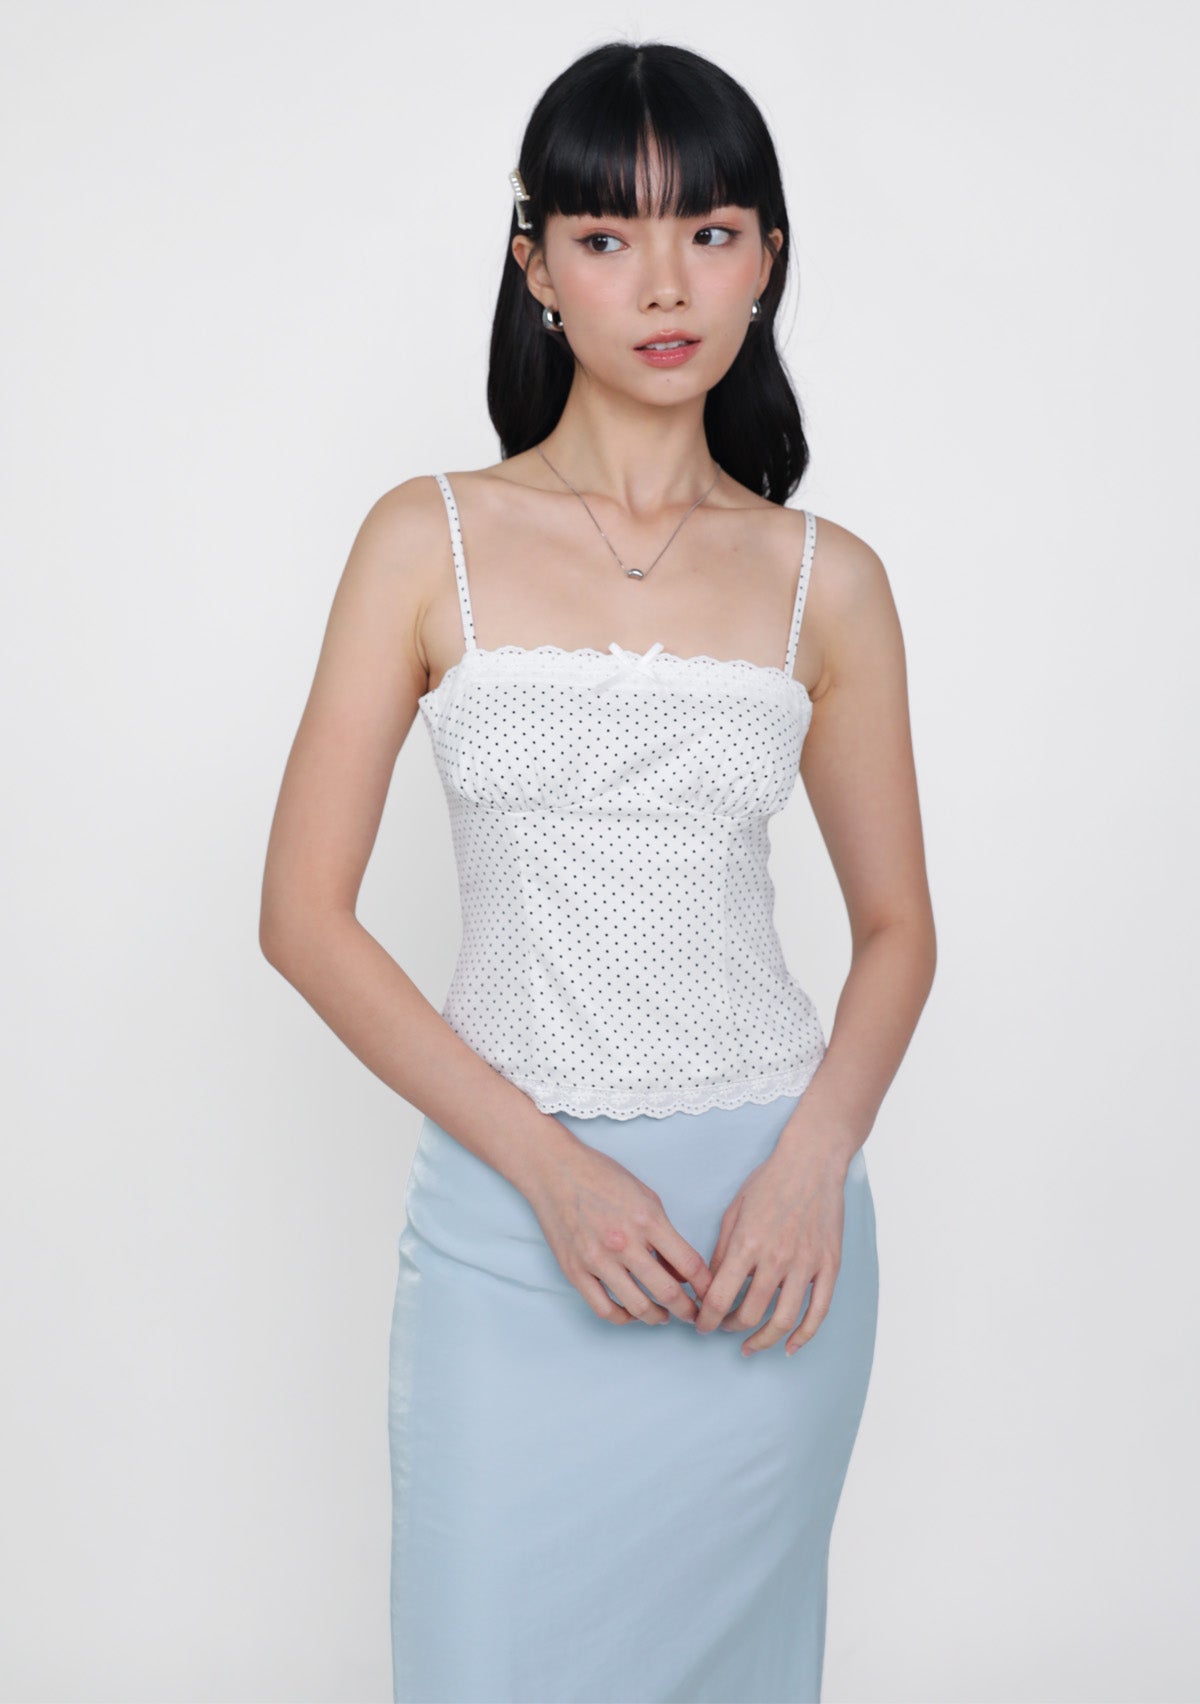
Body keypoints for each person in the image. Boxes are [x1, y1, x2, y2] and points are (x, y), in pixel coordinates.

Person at [259, 37, 936, 1704]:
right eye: (608, 235)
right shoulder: (423, 540)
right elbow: (302, 918)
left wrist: (813, 1163)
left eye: (710, 230)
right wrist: (553, 1176)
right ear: (537, 264)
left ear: (767, 258)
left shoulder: (827, 581)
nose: (665, 283)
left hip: (769, 1243)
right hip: (512, 1223)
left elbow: (897, 930)